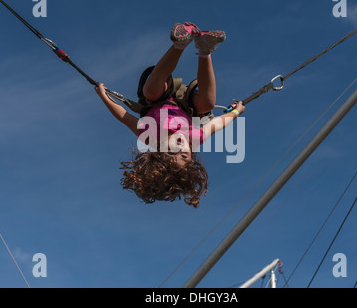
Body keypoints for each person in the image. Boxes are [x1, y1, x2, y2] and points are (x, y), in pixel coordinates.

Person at [94, 22, 245, 208]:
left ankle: (179, 45)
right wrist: (236, 112)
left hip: (159, 96)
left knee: (151, 91)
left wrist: (103, 96)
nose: (181, 149)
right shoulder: (193, 138)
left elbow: (125, 117)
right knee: (208, 105)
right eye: (185, 156)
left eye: (172, 152)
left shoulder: (151, 136)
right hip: (187, 103)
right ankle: (205, 50)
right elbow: (218, 124)